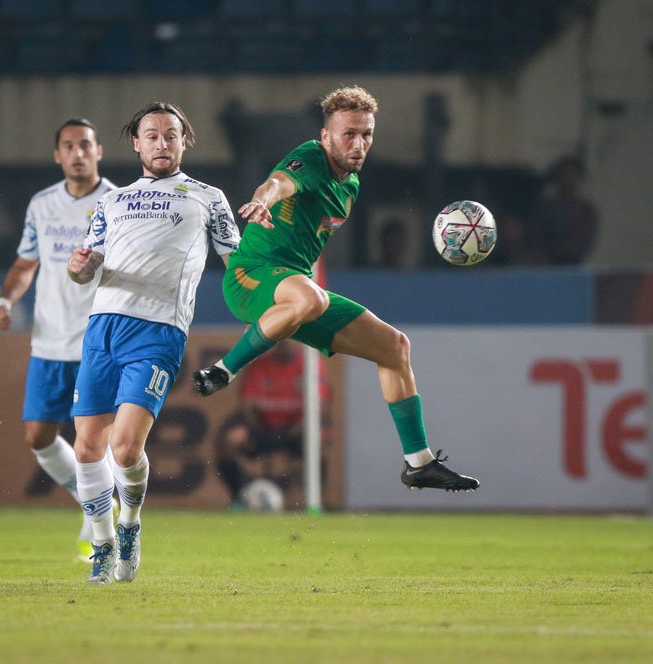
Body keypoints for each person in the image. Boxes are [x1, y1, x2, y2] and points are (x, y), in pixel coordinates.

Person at [193, 86, 480, 493]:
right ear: (326, 136)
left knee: (394, 347)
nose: (359, 144)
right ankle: (224, 370)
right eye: (349, 134)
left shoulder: (351, 185)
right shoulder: (309, 158)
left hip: (295, 291)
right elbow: (278, 182)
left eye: (366, 134)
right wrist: (262, 199)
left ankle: (419, 463)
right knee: (311, 296)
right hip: (250, 277)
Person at [67, 101, 240, 584]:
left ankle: (129, 526)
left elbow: (237, 261)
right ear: (136, 143)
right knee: (86, 448)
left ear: (184, 141)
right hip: (103, 327)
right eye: (152, 135)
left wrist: (271, 289)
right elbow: (84, 269)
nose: (162, 143)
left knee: (123, 449)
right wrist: (79, 268)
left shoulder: (207, 197)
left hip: (158, 331)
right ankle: (101, 543)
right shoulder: (112, 201)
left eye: (171, 135)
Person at [0, 118, 116, 562]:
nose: (78, 152)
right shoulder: (42, 204)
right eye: (69, 146)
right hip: (48, 339)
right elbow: (26, 264)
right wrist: (6, 300)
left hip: (97, 338)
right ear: (57, 155)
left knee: (91, 439)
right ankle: (93, 500)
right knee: (39, 436)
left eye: (86, 144)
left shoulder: (119, 203)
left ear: (99, 151)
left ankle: (99, 527)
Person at [214, 340, 328, 507]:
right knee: (232, 440)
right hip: (263, 428)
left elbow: (320, 405)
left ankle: (314, 500)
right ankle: (238, 497)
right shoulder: (260, 365)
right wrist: (258, 430)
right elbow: (247, 405)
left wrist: (295, 431)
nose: (285, 343)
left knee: (318, 441)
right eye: (281, 339)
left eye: (290, 338)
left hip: (295, 431)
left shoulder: (311, 366)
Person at [529, 155, 599, 265]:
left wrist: (570, 253)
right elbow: (536, 237)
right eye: (564, 174)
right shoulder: (545, 208)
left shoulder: (586, 211)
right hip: (546, 267)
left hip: (574, 267)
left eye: (572, 174)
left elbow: (585, 242)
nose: (567, 179)